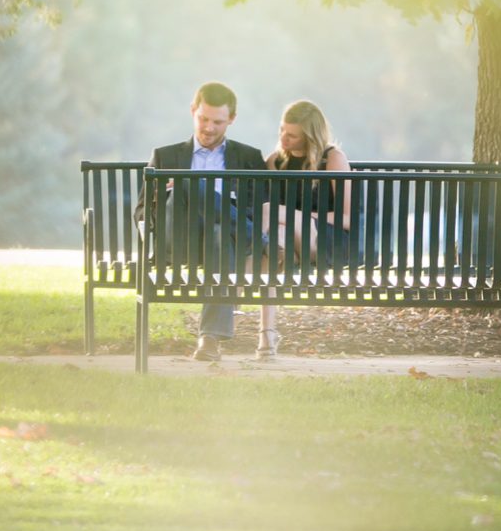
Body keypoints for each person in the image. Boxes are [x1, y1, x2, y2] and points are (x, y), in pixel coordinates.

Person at [148, 81, 267, 362]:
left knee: (220, 232)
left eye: (218, 122)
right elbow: (142, 211)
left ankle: (209, 339)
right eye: (203, 119)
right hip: (179, 238)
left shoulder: (248, 158)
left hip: (222, 241)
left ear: (232, 119)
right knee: (185, 184)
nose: (209, 128)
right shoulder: (165, 155)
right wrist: (164, 197)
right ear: (193, 111)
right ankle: (252, 236)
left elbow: (257, 208)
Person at [256, 98, 353, 359]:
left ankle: (241, 280)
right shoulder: (276, 161)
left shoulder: (332, 159)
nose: (283, 138)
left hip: (326, 242)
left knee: (271, 212)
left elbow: (347, 219)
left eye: (292, 135)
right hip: (289, 243)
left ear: (310, 136)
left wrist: (299, 216)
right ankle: (267, 335)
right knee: (274, 243)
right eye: (282, 131)